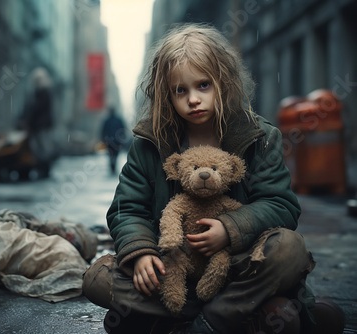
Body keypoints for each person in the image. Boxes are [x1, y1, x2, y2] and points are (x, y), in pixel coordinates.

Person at [82, 23, 344, 333]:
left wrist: (231, 229)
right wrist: (141, 253)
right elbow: (127, 209)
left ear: (224, 82)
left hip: (237, 268)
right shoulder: (150, 143)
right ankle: (240, 315)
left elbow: (281, 206)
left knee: (289, 248)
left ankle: (205, 323)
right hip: (173, 270)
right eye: (181, 90)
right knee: (96, 279)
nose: (193, 99)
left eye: (203, 85)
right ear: (167, 95)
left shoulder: (259, 138)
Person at [101, 107, 127, 174]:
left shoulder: (107, 120)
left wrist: (104, 139)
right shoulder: (118, 120)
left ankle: (112, 167)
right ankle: (113, 166)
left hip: (110, 141)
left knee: (111, 155)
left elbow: (103, 131)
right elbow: (123, 130)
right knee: (114, 155)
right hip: (116, 141)